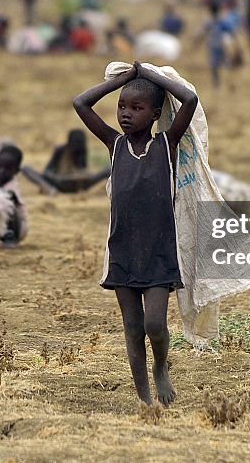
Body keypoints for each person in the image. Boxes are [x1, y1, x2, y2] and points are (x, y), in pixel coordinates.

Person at [73, 61, 198, 407]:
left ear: (156, 113)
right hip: (123, 251)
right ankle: (145, 400)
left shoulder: (165, 145)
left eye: (136, 108)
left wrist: (152, 76)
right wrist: (124, 80)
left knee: (155, 325)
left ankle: (161, 366)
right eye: (122, 107)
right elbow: (80, 103)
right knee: (132, 329)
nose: (125, 114)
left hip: (158, 252)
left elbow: (189, 100)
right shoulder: (115, 145)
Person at [20, 129, 112, 194]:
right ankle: (49, 189)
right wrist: (58, 178)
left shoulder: (82, 151)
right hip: (59, 183)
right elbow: (47, 172)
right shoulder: (60, 150)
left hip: (79, 185)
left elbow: (83, 170)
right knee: (25, 168)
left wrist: (83, 176)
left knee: (110, 168)